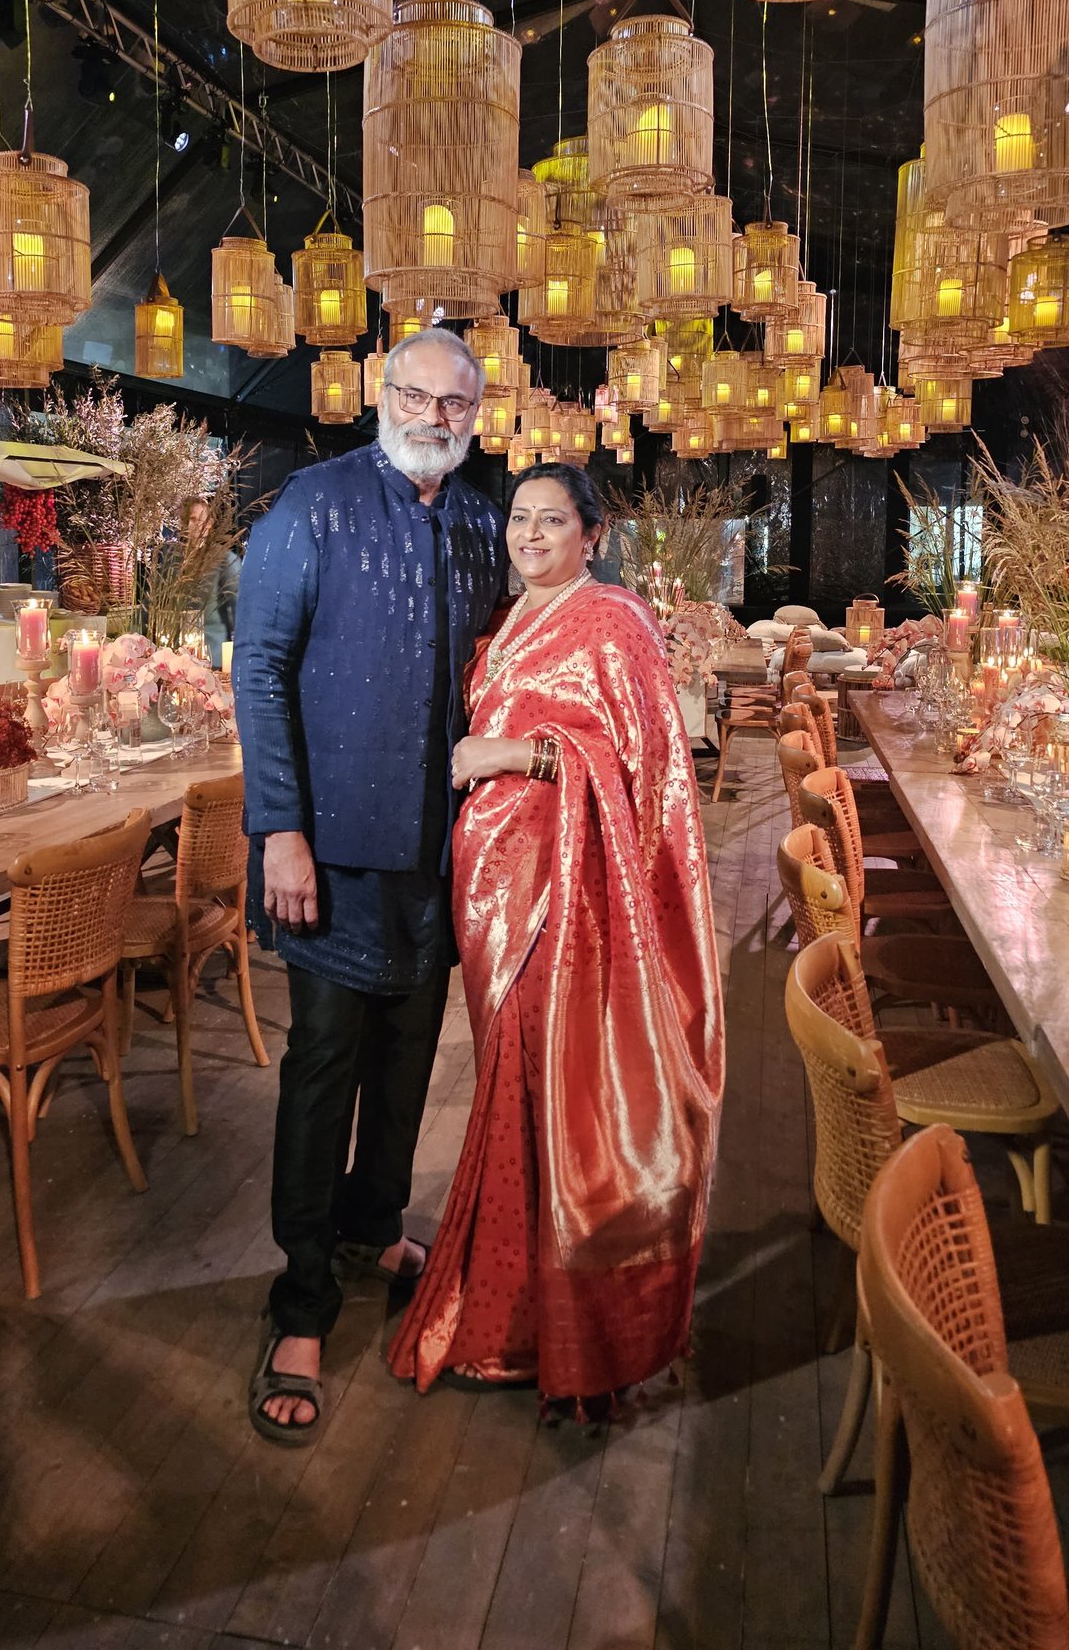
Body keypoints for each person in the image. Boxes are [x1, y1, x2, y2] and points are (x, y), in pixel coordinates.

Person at [389, 463, 724, 1407]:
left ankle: (535, 1326)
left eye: (551, 520)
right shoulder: (502, 621)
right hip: (488, 886)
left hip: (565, 887)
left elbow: (642, 762)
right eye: (519, 519)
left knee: (543, 1088)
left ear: (592, 534)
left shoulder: (615, 621)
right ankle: (516, 1297)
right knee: (511, 1080)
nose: (529, 535)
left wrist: (511, 752)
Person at [232, 330, 504, 1445]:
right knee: (324, 1068)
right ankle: (300, 1300)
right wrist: (279, 831)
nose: (434, 415)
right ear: (380, 396)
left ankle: (373, 1225)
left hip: (439, 852)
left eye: (455, 402)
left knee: (407, 1062)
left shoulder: (482, 521)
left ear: (476, 413)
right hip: (331, 852)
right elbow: (257, 668)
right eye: (415, 394)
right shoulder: (315, 503)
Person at [181, 496, 241, 667]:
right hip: (176, 660)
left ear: (209, 524)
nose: (190, 525)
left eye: (196, 520)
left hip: (213, 659)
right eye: (187, 520)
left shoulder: (225, 559)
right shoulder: (172, 561)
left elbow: (240, 611)